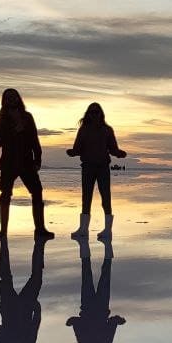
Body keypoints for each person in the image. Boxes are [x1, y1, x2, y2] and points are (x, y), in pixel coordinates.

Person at [0, 88, 54, 240]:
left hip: (27, 161)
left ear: (18, 98)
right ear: (4, 100)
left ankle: (40, 229)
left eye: (14, 96)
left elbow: (34, 139)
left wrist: (38, 159)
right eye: (8, 97)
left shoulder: (27, 117)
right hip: (8, 163)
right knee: (5, 194)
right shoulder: (1, 119)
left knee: (37, 192)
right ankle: (3, 231)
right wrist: (14, 130)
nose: (12, 99)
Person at [67, 102, 127, 241]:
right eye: (92, 112)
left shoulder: (107, 130)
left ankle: (107, 230)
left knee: (106, 197)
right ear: (88, 114)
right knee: (86, 198)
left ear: (101, 114)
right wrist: (72, 152)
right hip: (87, 166)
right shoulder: (83, 130)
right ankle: (83, 229)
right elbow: (77, 148)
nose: (94, 114)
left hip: (103, 167)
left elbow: (113, 148)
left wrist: (119, 153)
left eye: (97, 112)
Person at [67, 237, 126, 343]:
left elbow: (112, 322)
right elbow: (76, 322)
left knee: (104, 273)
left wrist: (119, 321)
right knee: (87, 272)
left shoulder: (105, 342)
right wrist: (70, 323)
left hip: (99, 306)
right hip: (91, 306)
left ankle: (105, 244)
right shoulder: (86, 342)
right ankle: (86, 243)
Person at [0, 236, 46, 343]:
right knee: (6, 276)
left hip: (25, 308)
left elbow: (35, 327)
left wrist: (38, 310)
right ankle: (3, 242)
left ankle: (39, 243)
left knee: (35, 277)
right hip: (9, 309)